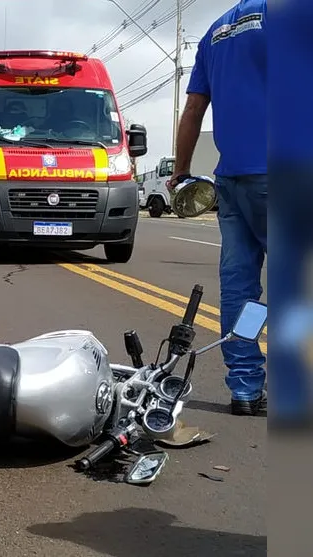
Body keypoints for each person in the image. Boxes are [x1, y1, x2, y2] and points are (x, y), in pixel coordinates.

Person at [168, 0, 267, 416]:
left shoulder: (216, 31)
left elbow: (193, 109)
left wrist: (182, 171)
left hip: (232, 180)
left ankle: (245, 387)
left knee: (241, 288)